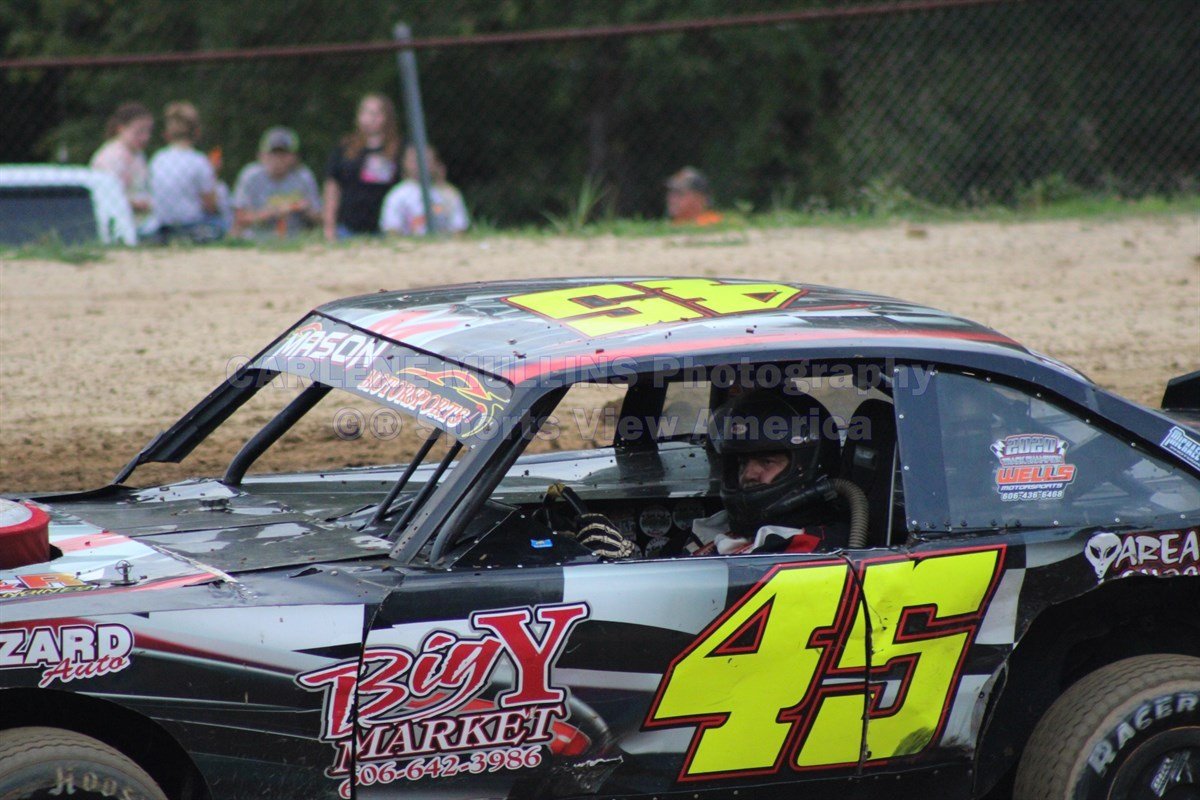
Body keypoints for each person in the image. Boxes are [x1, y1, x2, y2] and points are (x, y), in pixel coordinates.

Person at [688, 389, 848, 555]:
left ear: (806, 465)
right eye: (742, 463)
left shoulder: (824, 551)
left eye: (766, 462)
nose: (748, 475)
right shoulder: (711, 533)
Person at [323, 93, 402, 240]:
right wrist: (329, 226)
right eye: (364, 112)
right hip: (347, 228)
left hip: (386, 230)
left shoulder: (399, 150)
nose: (368, 118)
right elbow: (332, 186)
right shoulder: (345, 148)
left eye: (374, 114)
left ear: (387, 117)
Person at [147, 101, 224, 242]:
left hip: (162, 225)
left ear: (167, 133)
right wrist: (213, 174)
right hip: (190, 225)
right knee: (221, 223)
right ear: (197, 132)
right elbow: (210, 206)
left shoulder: (157, 158)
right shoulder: (199, 161)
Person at [231, 127, 322, 239]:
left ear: (294, 157)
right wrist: (271, 212)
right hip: (256, 238)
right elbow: (239, 218)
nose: (278, 159)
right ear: (261, 155)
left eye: (284, 154)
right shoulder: (250, 176)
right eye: (273, 153)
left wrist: (307, 209)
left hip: (296, 238)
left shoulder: (303, 177)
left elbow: (321, 219)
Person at [379, 145, 469, 236]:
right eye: (414, 161)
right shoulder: (397, 195)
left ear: (435, 162)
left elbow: (459, 229)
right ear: (405, 163)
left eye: (427, 160)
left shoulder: (449, 193)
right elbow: (392, 231)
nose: (420, 164)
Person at [89, 102, 154, 224]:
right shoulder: (111, 156)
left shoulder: (138, 154)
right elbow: (107, 196)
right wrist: (136, 205)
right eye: (139, 132)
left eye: (148, 132)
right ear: (121, 128)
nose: (145, 137)